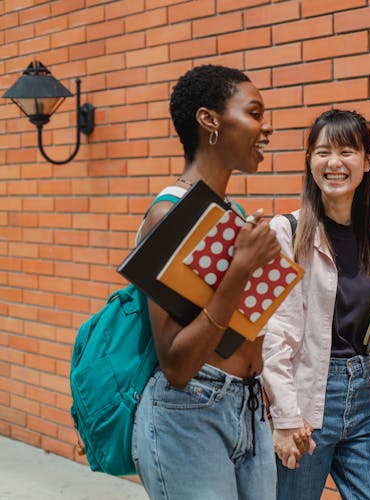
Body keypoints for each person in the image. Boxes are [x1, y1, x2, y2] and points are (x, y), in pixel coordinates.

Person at [131, 64, 280, 500]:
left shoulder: (230, 213)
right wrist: (240, 271)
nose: (266, 127)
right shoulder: (169, 215)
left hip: (249, 409)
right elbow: (176, 367)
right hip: (190, 416)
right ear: (209, 120)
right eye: (254, 112)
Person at [262, 109, 370, 499]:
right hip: (307, 397)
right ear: (309, 161)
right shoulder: (287, 232)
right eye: (322, 152)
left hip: (365, 396)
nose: (334, 163)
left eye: (347, 151)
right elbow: (273, 333)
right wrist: (284, 417)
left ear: (367, 161)